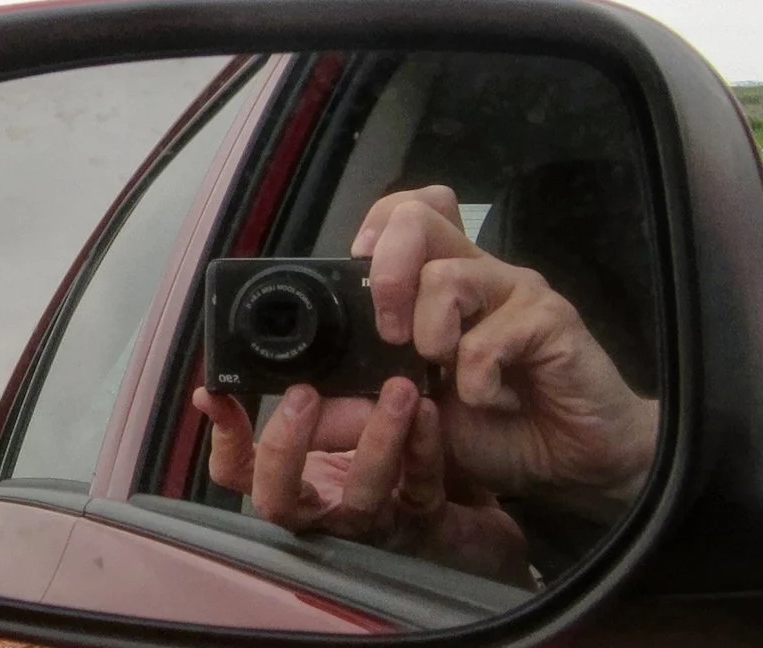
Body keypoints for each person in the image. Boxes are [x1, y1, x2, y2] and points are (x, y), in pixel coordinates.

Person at [190, 185, 658, 587]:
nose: (291, 329)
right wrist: (449, 549)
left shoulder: (537, 392)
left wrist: (632, 454)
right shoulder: (455, 490)